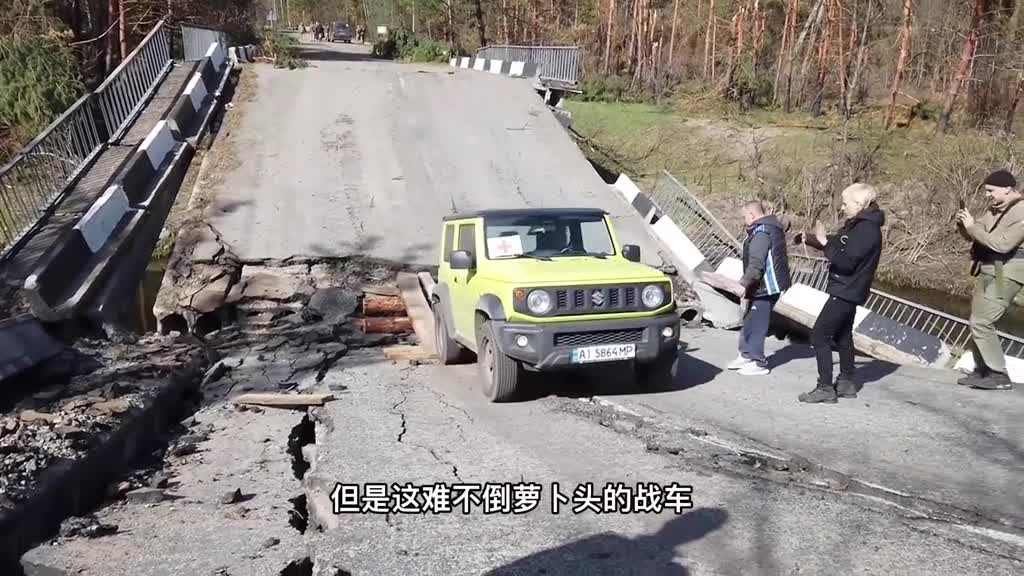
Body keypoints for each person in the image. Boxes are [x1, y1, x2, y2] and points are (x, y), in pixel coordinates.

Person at [796, 183, 885, 403]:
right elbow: (841, 245)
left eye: (845, 203)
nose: (842, 208)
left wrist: (825, 241)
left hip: (846, 289)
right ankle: (846, 382)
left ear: (859, 203)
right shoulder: (861, 225)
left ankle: (825, 387)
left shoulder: (866, 230)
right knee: (843, 335)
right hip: (850, 289)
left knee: (819, 335)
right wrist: (813, 239)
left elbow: (845, 262)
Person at [955, 169, 1024, 391]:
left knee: (983, 321)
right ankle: (982, 370)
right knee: (977, 319)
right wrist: (964, 226)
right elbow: (978, 233)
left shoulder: (1022, 211)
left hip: (1006, 272)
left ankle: (998, 373)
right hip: (990, 268)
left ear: (1008, 188)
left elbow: (1002, 244)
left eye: (991, 190)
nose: (987, 195)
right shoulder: (995, 210)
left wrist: (973, 227)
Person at [727, 201, 792, 376]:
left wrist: (744, 284)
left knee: (757, 323)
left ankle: (758, 362)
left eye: (744, 217)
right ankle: (746, 354)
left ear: (752, 215)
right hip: (761, 286)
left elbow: (756, 263)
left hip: (767, 287)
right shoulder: (769, 228)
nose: (743, 220)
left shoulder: (762, 232)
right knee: (749, 319)